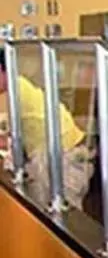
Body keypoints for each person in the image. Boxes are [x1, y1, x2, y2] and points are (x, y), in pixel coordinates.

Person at [0, 51, 93, 208]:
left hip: (65, 155)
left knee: (65, 215)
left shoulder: (18, 90)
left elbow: (11, 139)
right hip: (59, 151)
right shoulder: (19, 87)